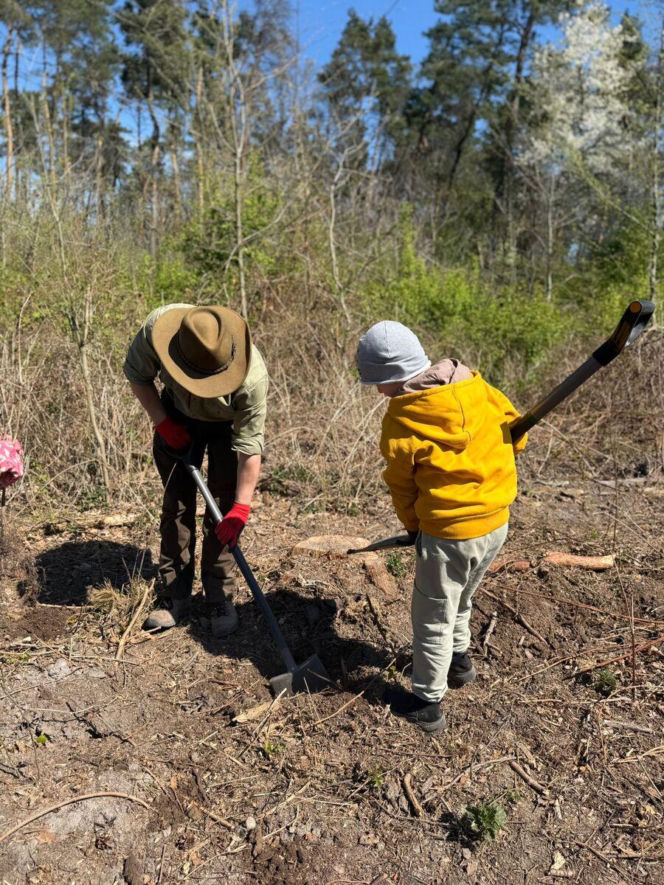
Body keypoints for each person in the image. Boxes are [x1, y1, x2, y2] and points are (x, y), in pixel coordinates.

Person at [356, 321, 527, 733]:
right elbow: (516, 435)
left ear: (394, 376)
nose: (379, 392)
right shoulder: (476, 385)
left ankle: (426, 702)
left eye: (379, 383)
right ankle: (459, 662)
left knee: (433, 614)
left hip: (449, 533)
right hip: (496, 523)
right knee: (462, 596)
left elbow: (402, 485)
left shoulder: (403, 418)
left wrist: (415, 526)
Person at [123, 303, 268, 637]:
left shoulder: (252, 377)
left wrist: (241, 506)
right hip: (175, 414)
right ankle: (175, 594)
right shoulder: (156, 330)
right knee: (177, 504)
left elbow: (249, 446)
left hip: (227, 427)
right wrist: (163, 423)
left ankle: (219, 596)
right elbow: (138, 375)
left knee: (223, 511)